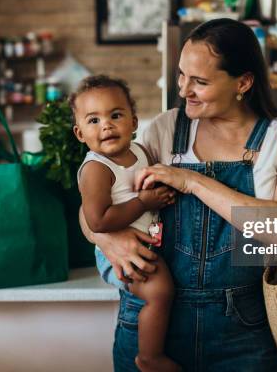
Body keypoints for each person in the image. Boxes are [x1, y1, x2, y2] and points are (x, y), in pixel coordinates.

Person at [80, 18, 277, 371]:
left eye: (200, 82)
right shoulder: (166, 127)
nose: (183, 90)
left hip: (243, 331)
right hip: (151, 326)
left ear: (243, 82)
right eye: (182, 75)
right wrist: (108, 240)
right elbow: (93, 208)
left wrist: (191, 181)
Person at [72, 75, 180, 372]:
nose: (106, 125)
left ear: (134, 122)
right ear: (80, 133)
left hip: (146, 242)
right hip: (118, 255)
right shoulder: (96, 168)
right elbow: (98, 220)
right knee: (160, 293)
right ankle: (149, 356)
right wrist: (145, 202)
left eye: (115, 115)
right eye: (93, 120)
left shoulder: (141, 152)